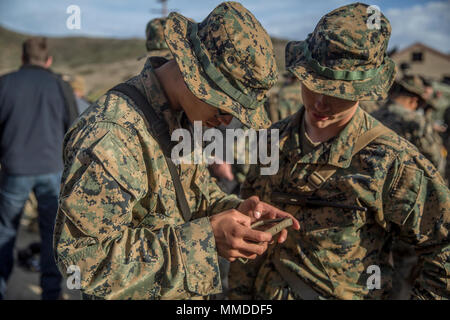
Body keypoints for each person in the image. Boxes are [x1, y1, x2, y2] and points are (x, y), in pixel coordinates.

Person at [54, 2, 299, 300]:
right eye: (224, 107)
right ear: (191, 73)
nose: (227, 122)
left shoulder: (184, 116)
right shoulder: (111, 134)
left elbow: (193, 198)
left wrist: (233, 212)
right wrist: (206, 240)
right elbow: (83, 264)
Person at [228, 3, 449, 300]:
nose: (320, 102)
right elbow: (250, 231)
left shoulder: (392, 161)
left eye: (337, 92)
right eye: (313, 84)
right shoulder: (270, 140)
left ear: (364, 90)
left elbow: (443, 247)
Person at [0, 37, 78, 299]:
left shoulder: (5, 84)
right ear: (48, 61)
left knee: (6, 232)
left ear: (22, 58)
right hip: (52, 170)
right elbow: (73, 129)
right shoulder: (61, 86)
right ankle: (51, 293)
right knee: (51, 236)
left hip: (14, 169)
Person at [372, 75, 445, 175]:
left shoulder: (373, 115)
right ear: (413, 100)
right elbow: (434, 158)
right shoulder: (416, 120)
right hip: (402, 181)